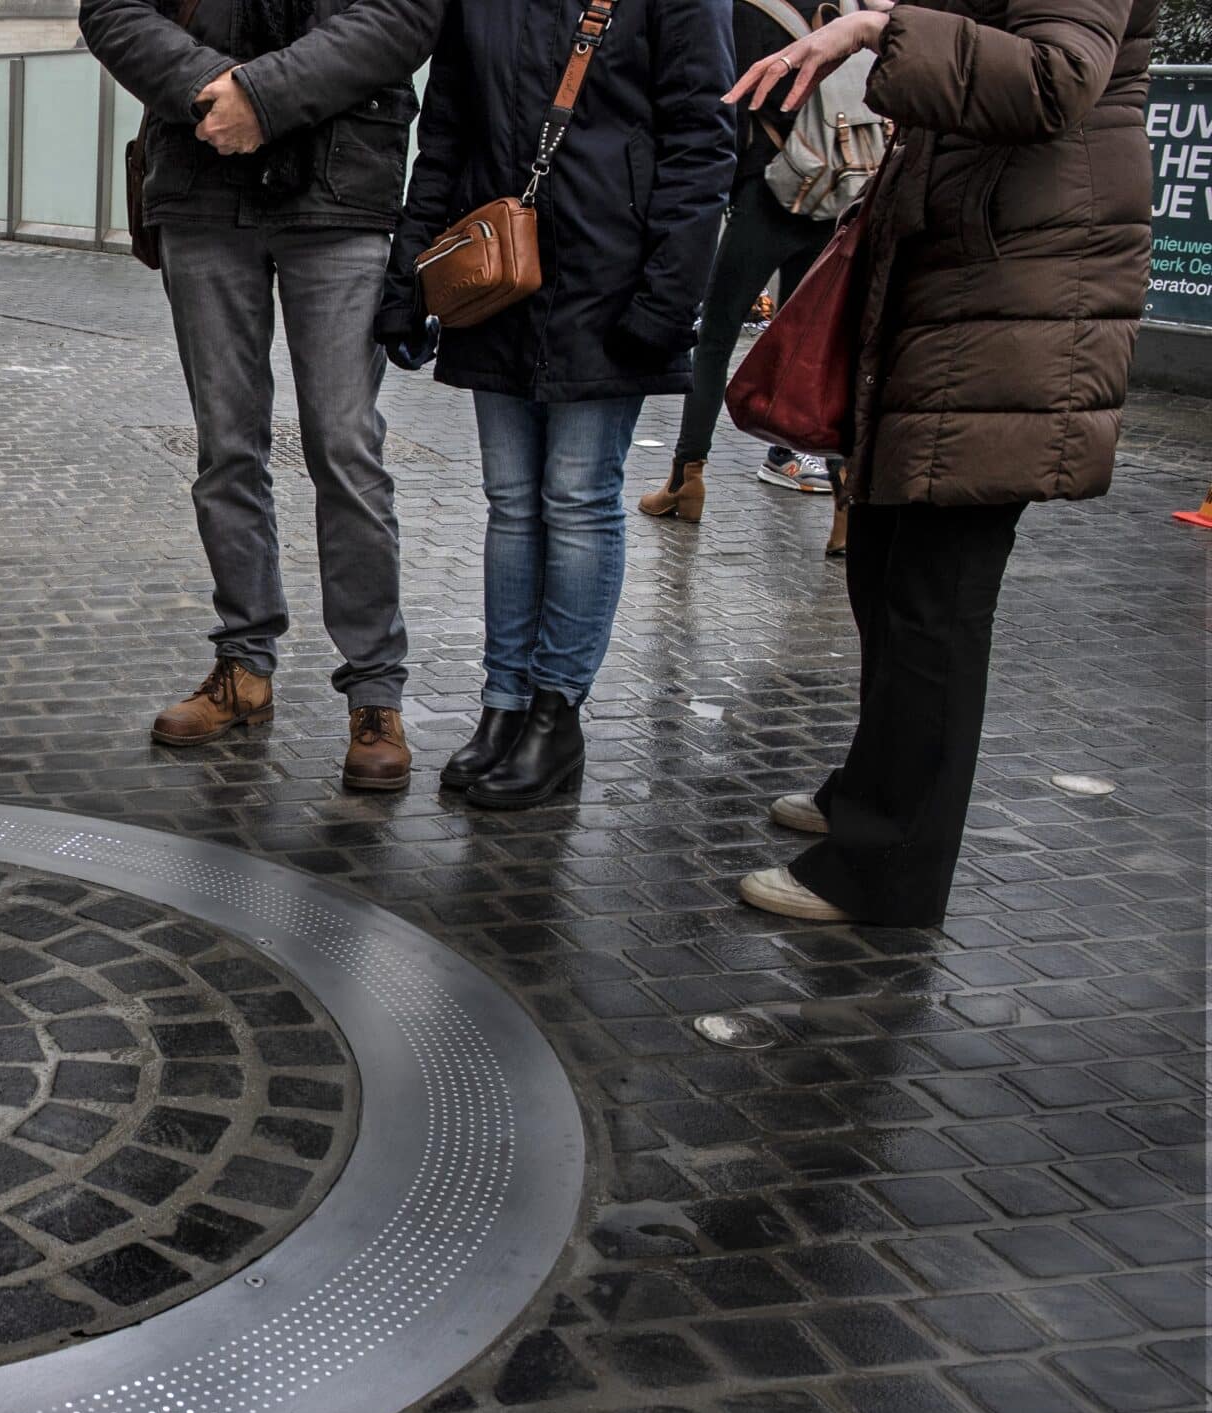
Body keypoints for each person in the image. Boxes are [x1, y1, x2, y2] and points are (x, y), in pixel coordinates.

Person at [730, 0, 1156, 926]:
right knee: (888, 565)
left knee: (936, 597)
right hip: (967, 279)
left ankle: (888, 867)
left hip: (1018, 291)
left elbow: (1056, 77)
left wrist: (881, 29)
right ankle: (872, 789)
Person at [378, 0, 731, 809]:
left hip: (611, 284)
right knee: (511, 502)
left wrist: (666, 301)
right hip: (502, 274)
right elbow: (445, 135)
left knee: (575, 498)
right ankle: (503, 706)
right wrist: (409, 279)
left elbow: (702, 142)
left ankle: (554, 714)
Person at [83, 0, 442, 793]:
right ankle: (243, 665)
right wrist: (213, 87)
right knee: (225, 445)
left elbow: (405, 16)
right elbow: (110, 9)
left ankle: (375, 693)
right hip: (201, 178)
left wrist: (264, 96)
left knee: (345, 447)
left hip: (342, 189)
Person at [635, 0, 852, 537]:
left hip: (769, 192)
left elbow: (727, 103)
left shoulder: (749, 9)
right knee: (821, 345)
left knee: (714, 335)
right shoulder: (848, 9)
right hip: (836, 191)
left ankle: (688, 477)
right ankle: (846, 501)